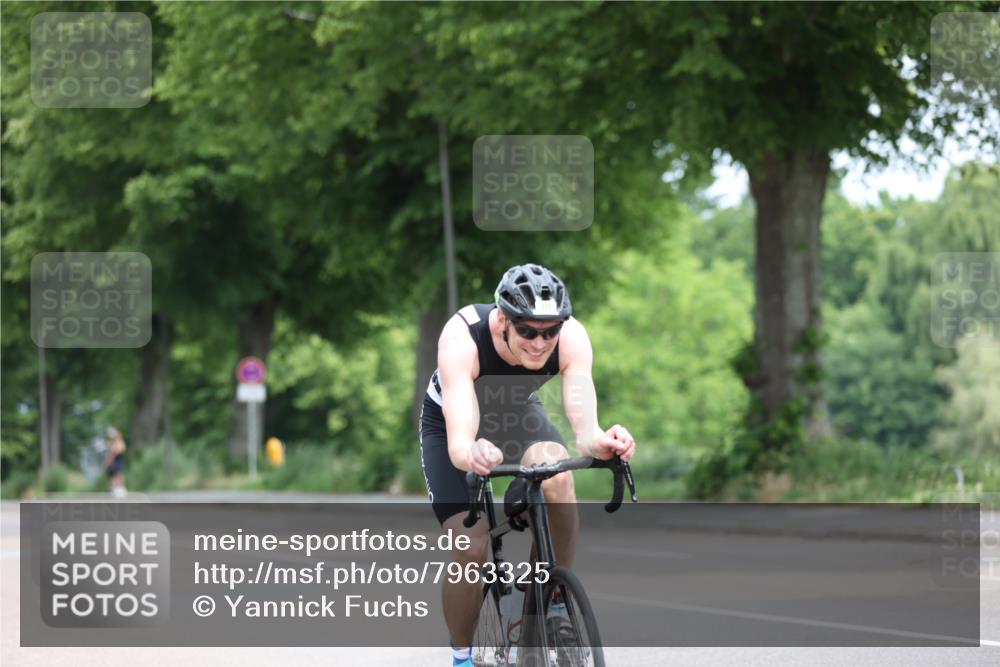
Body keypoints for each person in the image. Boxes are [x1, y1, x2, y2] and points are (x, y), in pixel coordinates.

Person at [419, 263, 636, 667]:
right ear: (503, 320)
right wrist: (472, 452)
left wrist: (605, 441)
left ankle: (551, 601)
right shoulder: (463, 335)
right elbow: (460, 443)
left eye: (550, 332)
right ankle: (462, 657)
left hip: (518, 413)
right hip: (454, 422)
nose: (540, 343)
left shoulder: (572, 337)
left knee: (558, 476)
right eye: (528, 331)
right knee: (471, 544)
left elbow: (585, 430)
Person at [103, 426, 128, 498]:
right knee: (112, 475)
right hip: (114, 462)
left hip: (117, 461)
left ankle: (119, 488)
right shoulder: (114, 443)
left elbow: (116, 452)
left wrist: (107, 462)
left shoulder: (119, 443)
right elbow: (110, 453)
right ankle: (113, 489)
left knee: (117, 474)